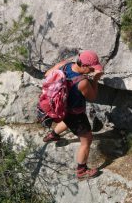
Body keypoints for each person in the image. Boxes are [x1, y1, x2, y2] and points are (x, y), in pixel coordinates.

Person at [43, 50, 104, 180]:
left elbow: (47, 74)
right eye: (92, 68)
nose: (93, 70)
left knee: (66, 121)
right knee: (87, 140)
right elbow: (92, 97)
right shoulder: (82, 82)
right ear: (84, 66)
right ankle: (82, 170)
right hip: (76, 114)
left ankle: (53, 135)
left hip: (61, 109)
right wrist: (96, 80)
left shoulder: (64, 65)